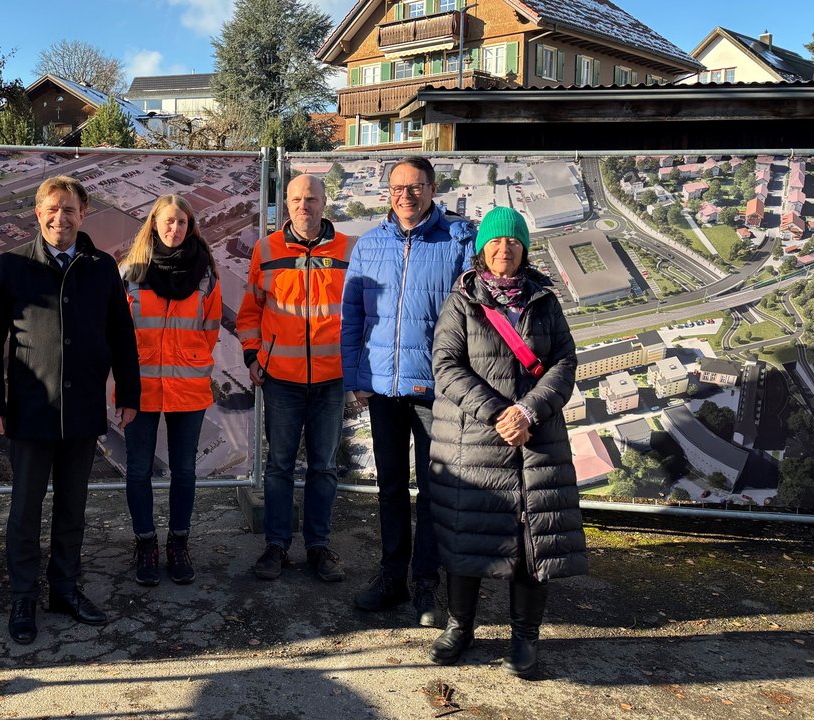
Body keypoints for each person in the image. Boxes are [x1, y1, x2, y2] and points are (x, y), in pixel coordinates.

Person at [0, 175, 141, 644]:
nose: (60, 218)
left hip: (83, 409)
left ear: (83, 214)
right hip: (30, 411)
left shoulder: (102, 267)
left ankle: (64, 589)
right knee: (25, 511)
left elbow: (121, 334)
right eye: (52, 209)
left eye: (69, 209)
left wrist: (129, 394)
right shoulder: (13, 264)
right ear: (38, 213)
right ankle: (23, 596)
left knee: (73, 509)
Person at [427, 206, 587, 677]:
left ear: (524, 249)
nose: (504, 249)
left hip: (536, 439)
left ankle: (524, 637)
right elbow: (446, 366)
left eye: (513, 242)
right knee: (467, 534)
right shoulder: (462, 302)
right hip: (474, 438)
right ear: (482, 250)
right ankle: (460, 626)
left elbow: (564, 362)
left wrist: (528, 411)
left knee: (531, 540)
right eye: (495, 242)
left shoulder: (545, 300)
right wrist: (500, 413)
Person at [340, 156, 474, 627]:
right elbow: (352, 317)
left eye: (415, 187)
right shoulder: (369, 245)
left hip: (437, 391)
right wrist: (356, 379)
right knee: (391, 487)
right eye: (397, 188)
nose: (405, 196)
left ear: (432, 189)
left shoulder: (458, 241)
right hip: (383, 388)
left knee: (435, 490)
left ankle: (426, 585)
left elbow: (473, 318)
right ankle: (392, 576)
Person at [238, 174, 351, 583]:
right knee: (279, 466)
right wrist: (252, 354)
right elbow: (251, 310)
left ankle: (318, 546)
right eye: (297, 199)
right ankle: (277, 545)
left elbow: (360, 311)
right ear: (286, 204)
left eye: (312, 199)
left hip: (331, 379)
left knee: (324, 467)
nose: (304, 206)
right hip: (281, 379)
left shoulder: (348, 249)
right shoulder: (266, 249)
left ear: (324, 202)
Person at [118, 195, 221, 586]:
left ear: (189, 226)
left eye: (181, 222)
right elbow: (117, 331)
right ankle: (145, 543)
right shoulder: (130, 272)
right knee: (138, 469)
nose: (174, 228)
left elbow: (209, 330)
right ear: (154, 223)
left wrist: (187, 359)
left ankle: (179, 543)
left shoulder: (205, 273)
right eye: (168, 221)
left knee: (185, 470)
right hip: (140, 388)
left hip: (188, 386)